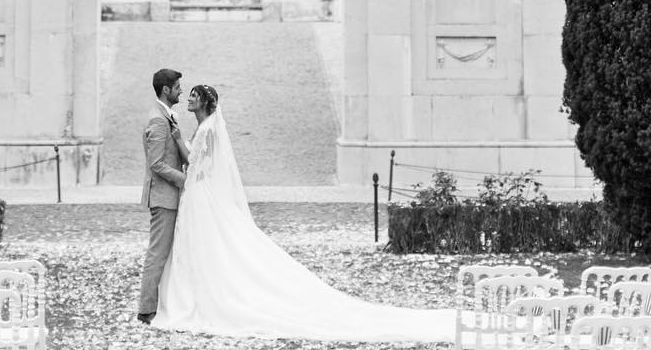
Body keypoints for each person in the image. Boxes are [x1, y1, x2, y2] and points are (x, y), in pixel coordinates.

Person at [152, 85, 456, 342]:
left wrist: (178, 140)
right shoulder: (205, 127)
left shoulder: (205, 130)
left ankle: (202, 295)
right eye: (187, 94)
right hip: (201, 195)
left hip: (201, 196)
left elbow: (194, 162)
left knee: (209, 245)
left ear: (204, 102)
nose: (188, 99)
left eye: (193, 96)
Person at [137, 67, 189, 324]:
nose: (181, 91)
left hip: (169, 196)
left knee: (164, 253)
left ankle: (160, 304)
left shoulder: (166, 115)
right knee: (157, 254)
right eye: (178, 87)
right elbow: (156, 163)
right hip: (163, 197)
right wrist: (184, 180)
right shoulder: (158, 119)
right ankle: (146, 310)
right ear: (166, 90)